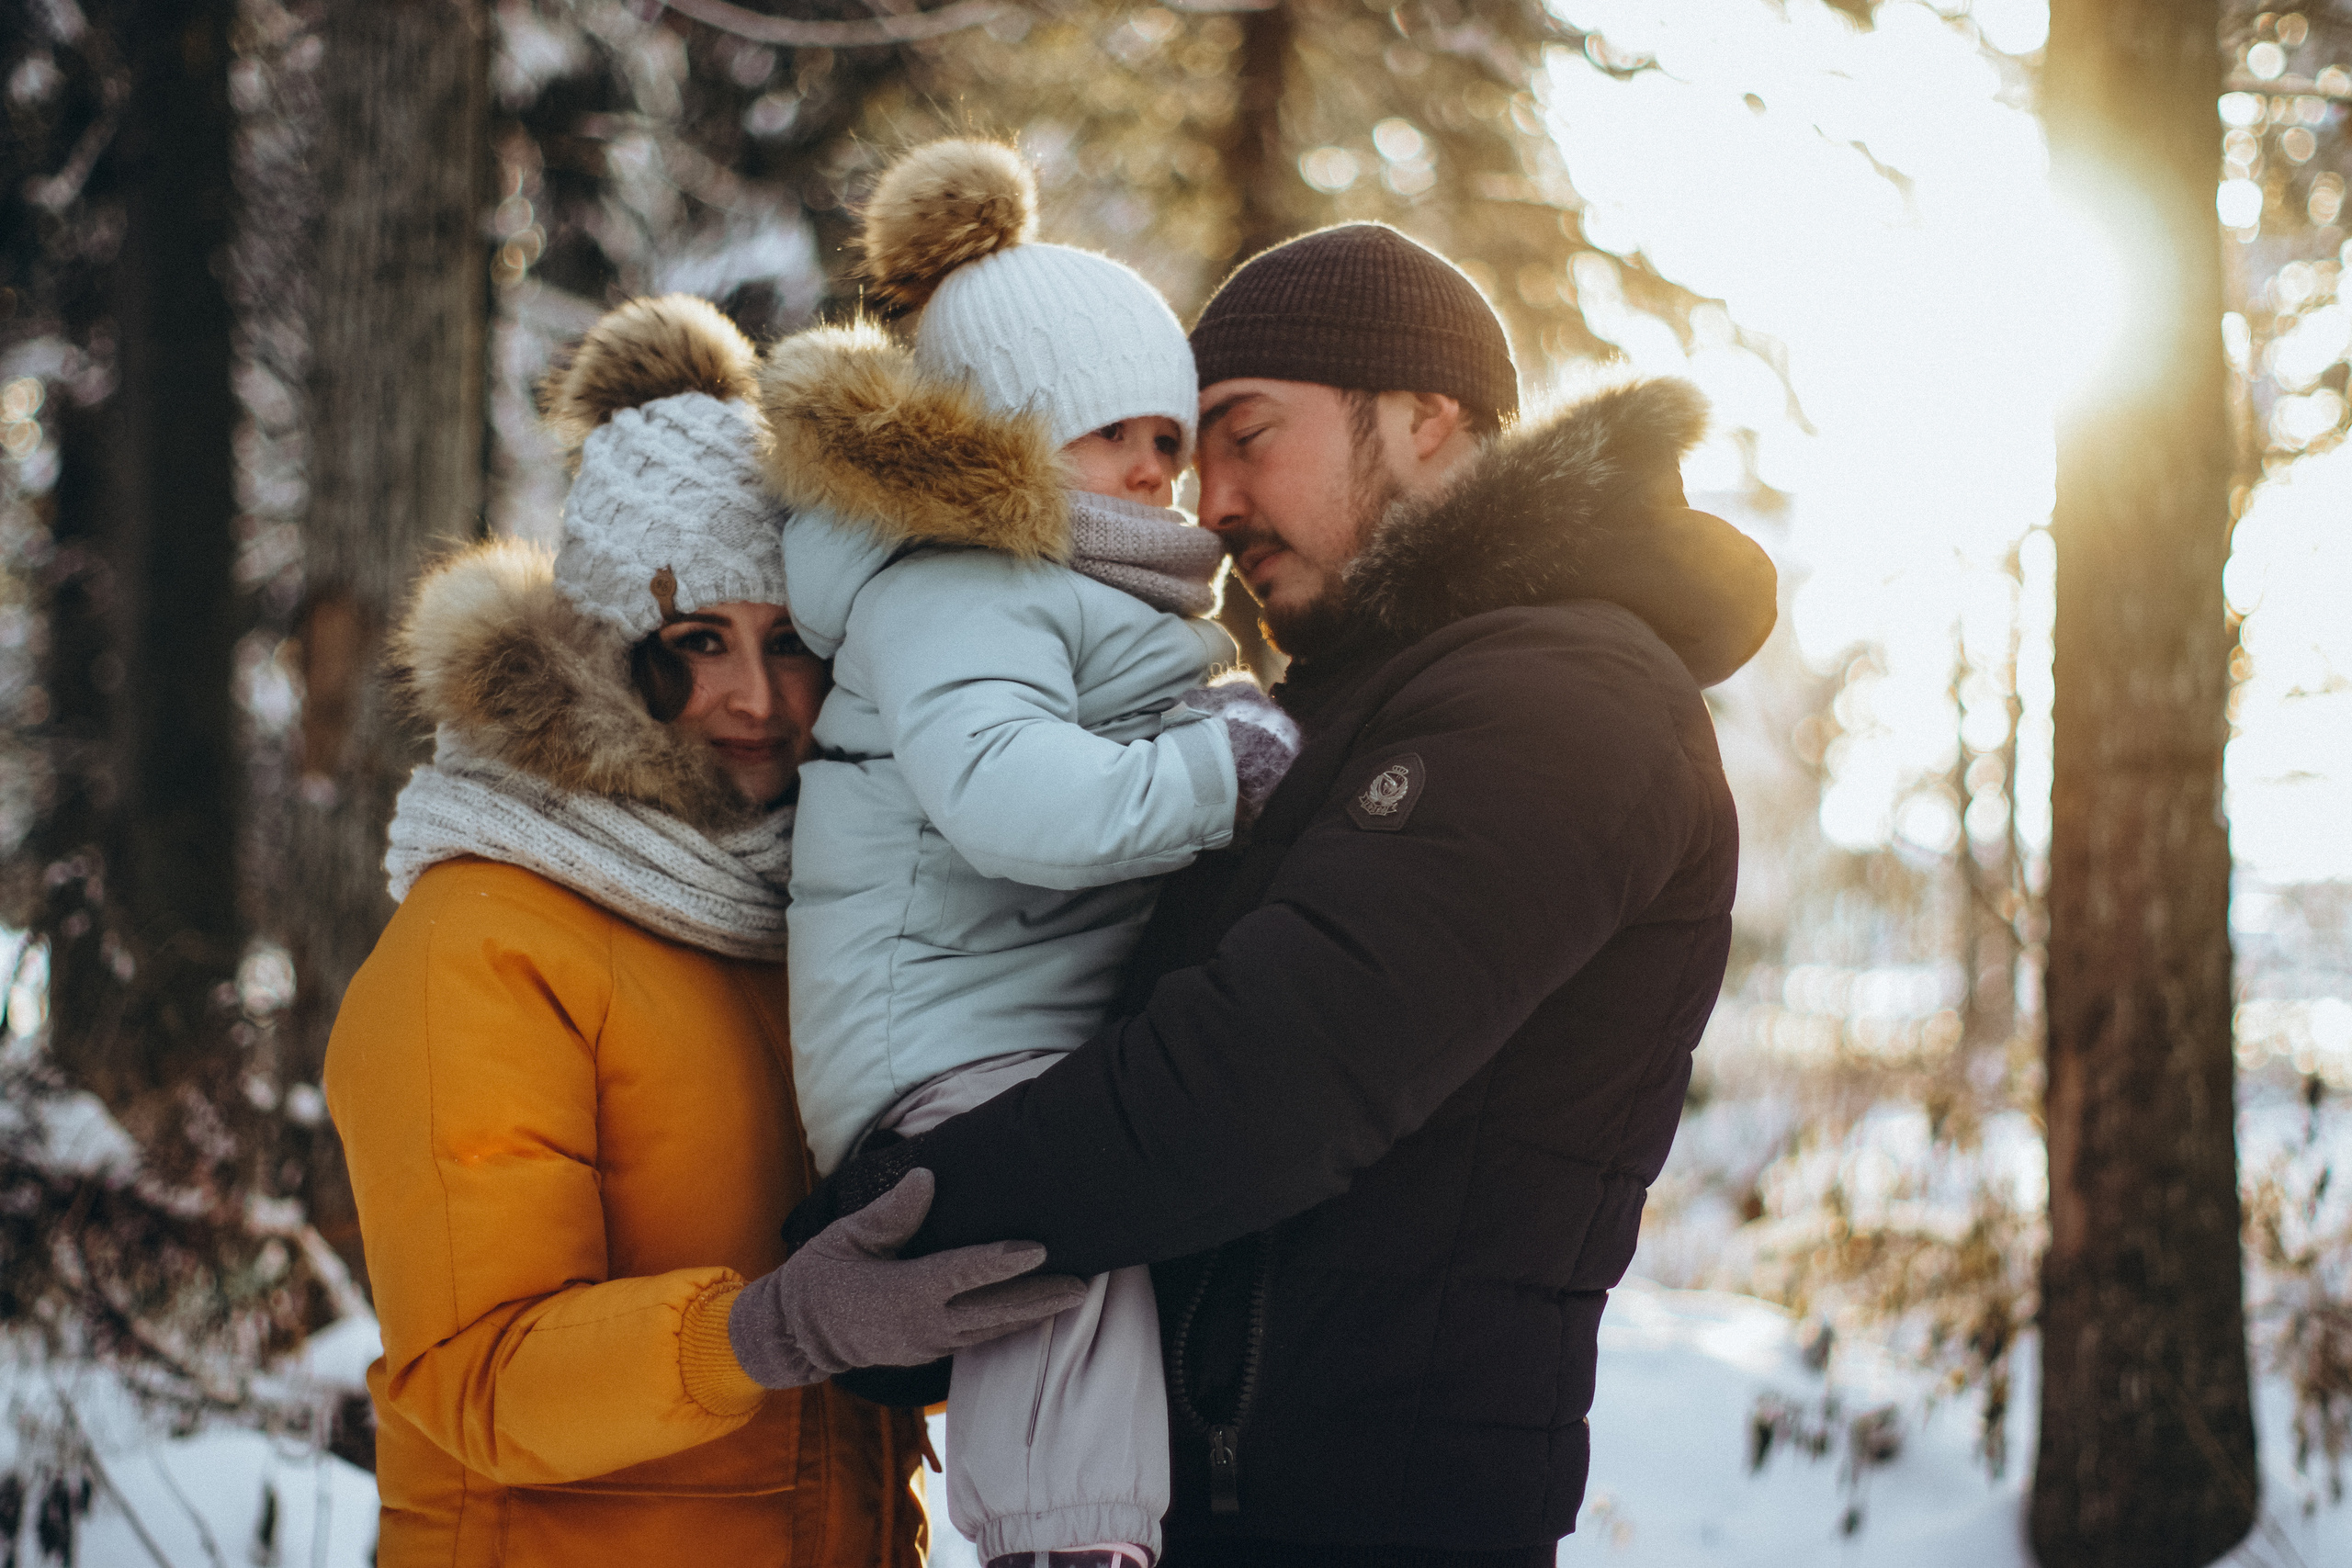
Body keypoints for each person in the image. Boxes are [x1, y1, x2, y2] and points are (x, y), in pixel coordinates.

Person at [788, 224, 1781, 1564]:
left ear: (1427, 418)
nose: (1212, 503)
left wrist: (892, 1227)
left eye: (1247, 435)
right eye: (1194, 455)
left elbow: (1255, 1086)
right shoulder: (1342, 704)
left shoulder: (1565, 699)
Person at [324, 294, 1084, 1568]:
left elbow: (863, 1329)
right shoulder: (486, 938)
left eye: (789, 643)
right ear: (612, 657)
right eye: (697, 641)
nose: (752, 696)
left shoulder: (817, 917)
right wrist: (770, 1330)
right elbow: (473, 1380)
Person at [740, 139, 1297, 1568]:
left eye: (1169, 443)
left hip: (1013, 1024)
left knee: (1115, 1210)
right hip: (936, 1050)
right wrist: (1216, 770)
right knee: (1071, 1228)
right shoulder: (959, 589)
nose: (1154, 472)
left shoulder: (1087, 590)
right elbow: (1008, 797)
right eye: (1112, 436)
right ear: (1001, 440)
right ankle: (1061, 1543)